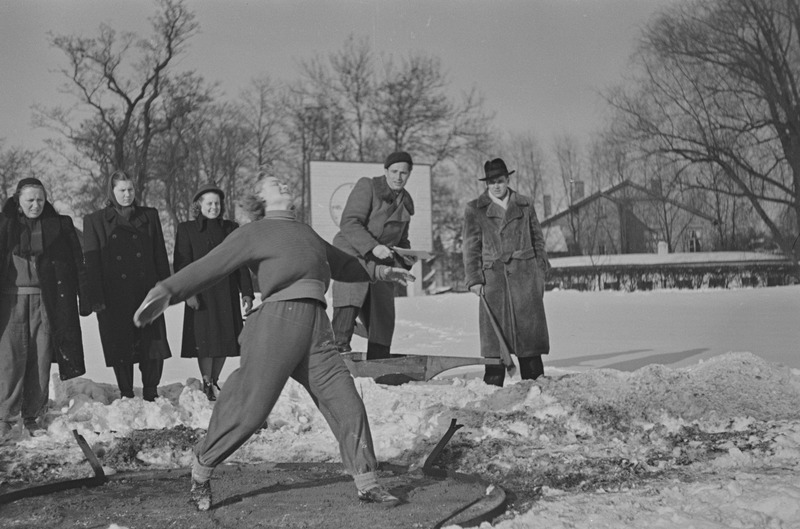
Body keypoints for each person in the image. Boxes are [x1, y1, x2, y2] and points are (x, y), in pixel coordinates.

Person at [133, 175, 415, 511]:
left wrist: (382, 273)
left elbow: (344, 264)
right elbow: (209, 267)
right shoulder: (253, 232)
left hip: (317, 329)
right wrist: (166, 292)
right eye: (271, 182)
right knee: (250, 411)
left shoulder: (306, 232)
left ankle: (367, 482)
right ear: (259, 199)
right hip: (277, 322)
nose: (281, 182)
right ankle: (202, 468)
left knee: (346, 402)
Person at [0, 178, 89, 439]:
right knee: (10, 360)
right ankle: (5, 417)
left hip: (47, 301)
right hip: (11, 300)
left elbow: (77, 262)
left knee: (40, 358)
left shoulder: (59, 226)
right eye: (30, 200)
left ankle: (33, 415)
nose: (36, 205)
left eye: (40, 199)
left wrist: (84, 297)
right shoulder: (5, 224)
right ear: (18, 201)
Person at [83, 170, 172, 401]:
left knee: (152, 343)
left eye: (130, 189)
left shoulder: (149, 216)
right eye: (121, 190)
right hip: (114, 294)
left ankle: (151, 390)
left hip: (146, 291)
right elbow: (91, 264)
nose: (127, 194)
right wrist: (96, 297)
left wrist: (166, 288)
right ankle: (126, 392)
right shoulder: (95, 220)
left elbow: (159, 254)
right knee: (121, 343)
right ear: (111, 192)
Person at [462, 158, 551, 387]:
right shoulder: (475, 209)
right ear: (486, 184)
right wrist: (474, 279)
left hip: (525, 277)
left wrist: (539, 270)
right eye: (492, 182)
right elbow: (470, 247)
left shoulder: (525, 204)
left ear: (507, 179)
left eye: (500, 181)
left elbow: (538, 239)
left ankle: (535, 387)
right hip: (493, 281)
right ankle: (493, 389)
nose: (496, 186)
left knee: (528, 335)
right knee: (495, 337)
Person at [330, 151, 415, 359]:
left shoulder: (405, 202)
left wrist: (406, 257)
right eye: (394, 171)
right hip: (353, 253)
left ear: (409, 174)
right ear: (385, 171)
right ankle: (336, 353)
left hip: (382, 262)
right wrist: (373, 247)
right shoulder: (368, 186)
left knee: (383, 317)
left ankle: (379, 362)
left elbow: (402, 240)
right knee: (349, 300)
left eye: (404, 173)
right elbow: (349, 222)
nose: (398, 177)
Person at [173, 183, 254, 401]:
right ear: (199, 205)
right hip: (200, 294)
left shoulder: (230, 229)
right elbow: (182, 264)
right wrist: (187, 293)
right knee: (205, 341)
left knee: (225, 340)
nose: (214, 207)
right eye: (209, 203)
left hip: (226, 292)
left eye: (217, 203)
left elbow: (241, 262)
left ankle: (215, 380)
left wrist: (246, 292)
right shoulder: (186, 229)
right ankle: (206, 380)